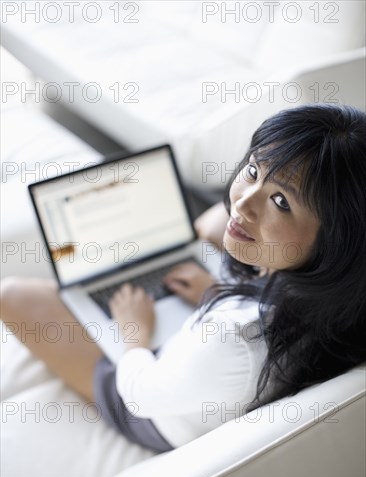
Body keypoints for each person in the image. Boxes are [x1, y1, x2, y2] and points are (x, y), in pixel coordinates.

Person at [1, 103, 366, 454]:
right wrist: (214, 292)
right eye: (254, 171)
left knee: (13, 294)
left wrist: (134, 333)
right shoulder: (342, 298)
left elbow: (140, 393)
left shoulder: (231, 338)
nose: (243, 204)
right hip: (210, 372)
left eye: (281, 202)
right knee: (209, 226)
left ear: (337, 240)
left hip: (154, 409)